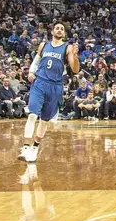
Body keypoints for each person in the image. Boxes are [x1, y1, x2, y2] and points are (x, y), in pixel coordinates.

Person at [19, 21, 80, 162]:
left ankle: (35, 147)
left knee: (44, 121)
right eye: (57, 28)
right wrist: (32, 71)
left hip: (55, 87)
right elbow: (36, 60)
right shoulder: (43, 45)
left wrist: (75, 56)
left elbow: (75, 69)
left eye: (62, 29)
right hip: (39, 83)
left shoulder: (68, 47)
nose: (59, 30)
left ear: (64, 34)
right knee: (32, 115)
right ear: (52, 32)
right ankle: (26, 147)